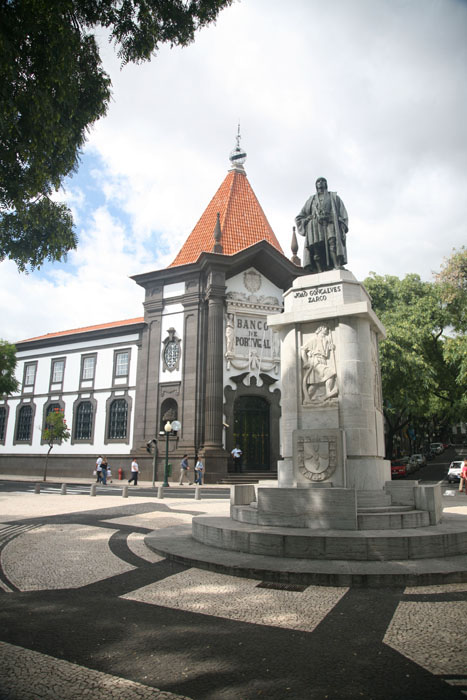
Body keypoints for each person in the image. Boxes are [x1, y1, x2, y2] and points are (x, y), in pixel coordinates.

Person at [295, 177, 348, 273]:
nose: (320, 183)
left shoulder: (334, 197)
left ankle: (336, 265)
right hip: (315, 226)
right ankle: (319, 270)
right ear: (316, 185)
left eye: (323, 181)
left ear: (326, 184)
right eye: (318, 181)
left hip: (330, 223)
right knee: (316, 248)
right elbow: (300, 217)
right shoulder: (311, 200)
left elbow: (342, 214)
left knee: (332, 242)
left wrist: (342, 226)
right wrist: (307, 219)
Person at [300, 325, 337, 402]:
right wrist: (306, 362)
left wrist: (331, 347)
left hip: (323, 360)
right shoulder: (314, 339)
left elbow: (326, 354)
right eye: (324, 328)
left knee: (316, 384)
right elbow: (303, 349)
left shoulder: (326, 340)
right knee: (330, 373)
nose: (326, 329)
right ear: (320, 329)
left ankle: (309, 399)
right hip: (315, 361)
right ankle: (328, 394)